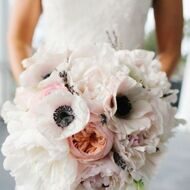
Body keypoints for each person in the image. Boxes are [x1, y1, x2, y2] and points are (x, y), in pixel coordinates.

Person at [8, 0, 183, 83]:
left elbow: (170, 50)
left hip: (125, 115)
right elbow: (19, 40)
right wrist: (33, 92)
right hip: (52, 104)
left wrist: (143, 95)